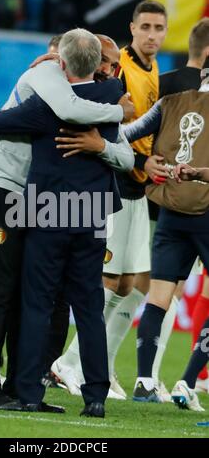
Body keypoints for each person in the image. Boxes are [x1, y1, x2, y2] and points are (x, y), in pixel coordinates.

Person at [0, 33, 134, 411]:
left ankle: (26, 393)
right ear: (98, 66)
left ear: (61, 62)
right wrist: (103, 144)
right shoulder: (112, 98)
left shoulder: (47, 106)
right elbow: (127, 160)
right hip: (91, 215)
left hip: (45, 211)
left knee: (37, 303)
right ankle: (95, 397)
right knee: (87, 307)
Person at [52, 0, 168, 400]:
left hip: (139, 186)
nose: (153, 35)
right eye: (146, 27)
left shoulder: (154, 72)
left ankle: (100, 362)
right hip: (114, 184)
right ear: (132, 29)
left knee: (137, 283)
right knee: (110, 280)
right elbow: (113, 131)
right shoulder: (116, 69)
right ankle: (71, 362)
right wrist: (140, 159)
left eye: (159, 28)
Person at [118, 70, 209, 404]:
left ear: (202, 75)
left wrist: (145, 162)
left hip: (170, 212)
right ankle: (187, 381)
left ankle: (144, 382)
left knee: (158, 297)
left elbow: (124, 133)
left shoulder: (169, 104)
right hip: (206, 210)